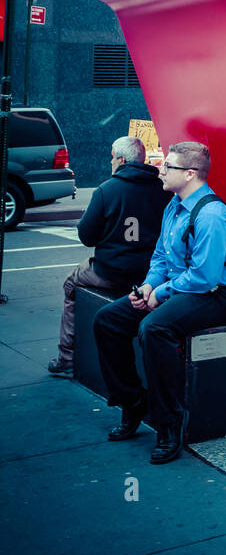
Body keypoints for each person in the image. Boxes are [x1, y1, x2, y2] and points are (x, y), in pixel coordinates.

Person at [92, 142, 226, 464]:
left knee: (155, 328)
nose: (160, 170)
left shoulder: (212, 215)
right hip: (181, 286)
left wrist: (160, 294)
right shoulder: (173, 205)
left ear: (190, 174)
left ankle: (169, 422)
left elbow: (205, 277)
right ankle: (133, 401)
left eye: (168, 166)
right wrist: (149, 286)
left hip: (219, 295)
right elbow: (162, 256)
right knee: (107, 320)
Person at [48, 137, 170, 378]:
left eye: (112, 156)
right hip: (151, 275)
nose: (111, 160)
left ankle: (66, 357)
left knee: (71, 282)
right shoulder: (162, 190)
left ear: (122, 160)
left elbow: (87, 236)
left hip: (110, 272)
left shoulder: (106, 190)